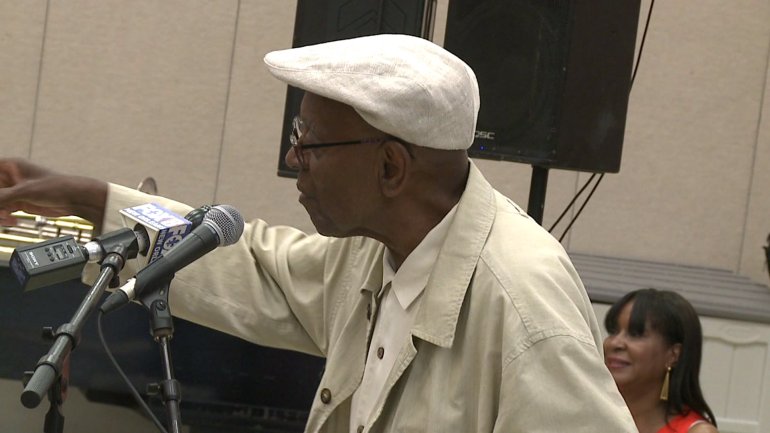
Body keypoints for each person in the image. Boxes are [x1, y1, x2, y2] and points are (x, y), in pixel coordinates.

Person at [0, 34, 638, 432]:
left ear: (391, 167)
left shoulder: (523, 304)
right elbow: (247, 263)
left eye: (309, 143)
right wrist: (87, 200)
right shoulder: (376, 253)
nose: (293, 163)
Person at [603, 288, 719, 433]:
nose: (615, 343)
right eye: (613, 332)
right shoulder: (589, 412)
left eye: (635, 334)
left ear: (673, 355)